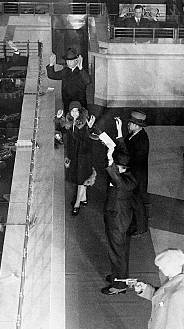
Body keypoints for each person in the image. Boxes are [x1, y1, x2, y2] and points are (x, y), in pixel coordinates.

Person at [101, 138, 137, 295]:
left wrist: (110, 156)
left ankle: (119, 285)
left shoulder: (122, 183)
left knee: (117, 252)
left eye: (116, 166)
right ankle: (118, 277)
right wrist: (120, 134)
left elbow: (112, 170)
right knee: (118, 250)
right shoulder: (126, 174)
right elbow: (123, 154)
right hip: (120, 217)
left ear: (121, 169)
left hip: (117, 220)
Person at [56, 101, 97, 215]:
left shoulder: (84, 123)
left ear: (80, 112)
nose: (74, 113)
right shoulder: (70, 122)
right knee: (81, 177)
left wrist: (89, 128)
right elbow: (64, 129)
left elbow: (89, 138)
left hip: (84, 155)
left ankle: (77, 204)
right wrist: (59, 118)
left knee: (80, 179)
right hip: (75, 155)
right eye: (72, 111)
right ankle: (83, 198)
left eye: (76, 111)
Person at [117, 111, 149, 235]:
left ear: (137, 125)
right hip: (133, 176)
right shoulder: (133, 135)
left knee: (137, 202)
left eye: (131, 123)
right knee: (134, 201)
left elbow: (132, 157)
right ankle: (136, 225)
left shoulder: (141, 140)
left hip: (136, 177)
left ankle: (140, 227)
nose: (128, 125)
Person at [47, 48, 90, 113]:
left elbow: (87, 81)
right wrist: (51, 64)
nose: (68, 63)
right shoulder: (65, 71)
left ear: (76, 61)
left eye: (71, 61)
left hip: (79, 101)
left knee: (81, 118)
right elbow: (52, 75)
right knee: (68, 118)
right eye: (67, 61)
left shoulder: (81, 71)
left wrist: (81, 68)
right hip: (67, 101)